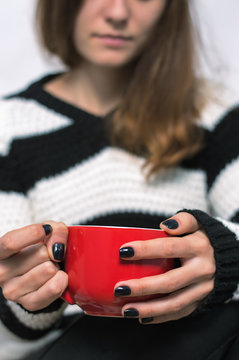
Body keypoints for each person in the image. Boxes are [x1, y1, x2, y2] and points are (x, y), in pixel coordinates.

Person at [0, 0, 239, 359]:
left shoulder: (212, 111)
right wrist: (30, 294)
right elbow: (16, 325)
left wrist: (226, 256)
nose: (117, 13)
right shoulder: (8, 128)